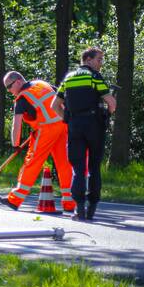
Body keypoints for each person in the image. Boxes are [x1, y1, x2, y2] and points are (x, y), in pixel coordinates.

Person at [0, 70, 76, 213]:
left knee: (32, 162)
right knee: (65, 164)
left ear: (18, 82)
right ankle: (69, 203)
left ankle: (15, 199)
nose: (9, 90)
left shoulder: (22, 98)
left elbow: (16, 125)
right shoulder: (42, 84)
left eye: (9, 86)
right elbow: (63, 99)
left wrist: (15, 145)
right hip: (63, 126)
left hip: (46, 130)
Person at [53, 47, 117, 221]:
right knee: (94, 167)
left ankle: (79, 208)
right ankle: (92, 208)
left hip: (74, 126)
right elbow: (111, 102)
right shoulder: (94, 76)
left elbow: (54, 105)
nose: (101, 63)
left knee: (78, 168)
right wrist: (107, 115)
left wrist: (67, 119)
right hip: (94, 125)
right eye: (99, 59)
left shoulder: (68, 78)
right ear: (88, 59)